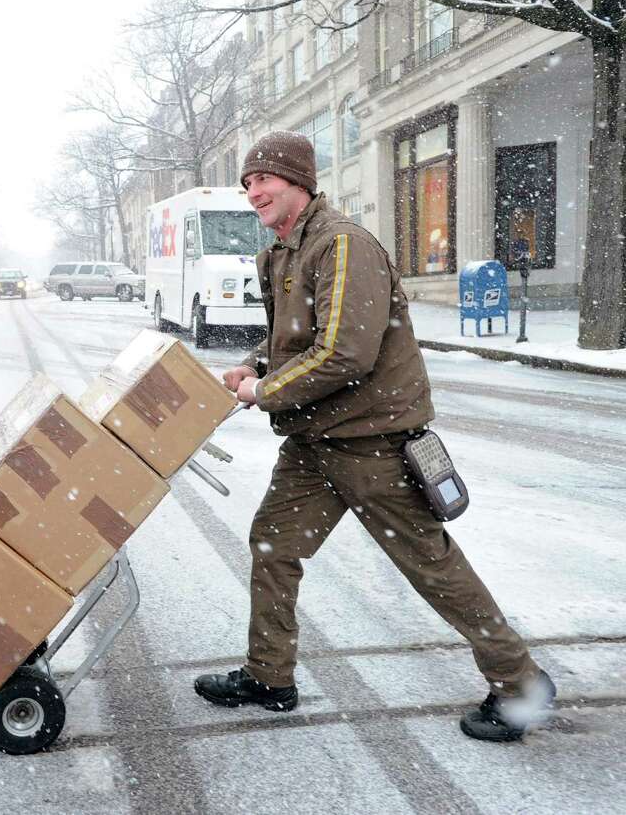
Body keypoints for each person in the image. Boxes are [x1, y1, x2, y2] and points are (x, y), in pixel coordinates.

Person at [193, 130, 555, 742]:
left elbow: (344, 353)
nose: (255, 190)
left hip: (372, 442)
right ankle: (269, 676)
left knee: (430, 566)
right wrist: (256, 365)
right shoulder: (279, 253)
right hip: (314, 444)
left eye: (266, 179)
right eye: (248, 182)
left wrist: (266, 391)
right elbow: (295, 342)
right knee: (274, 547)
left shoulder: (343, 245)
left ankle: (520, 683)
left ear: (300, 182)